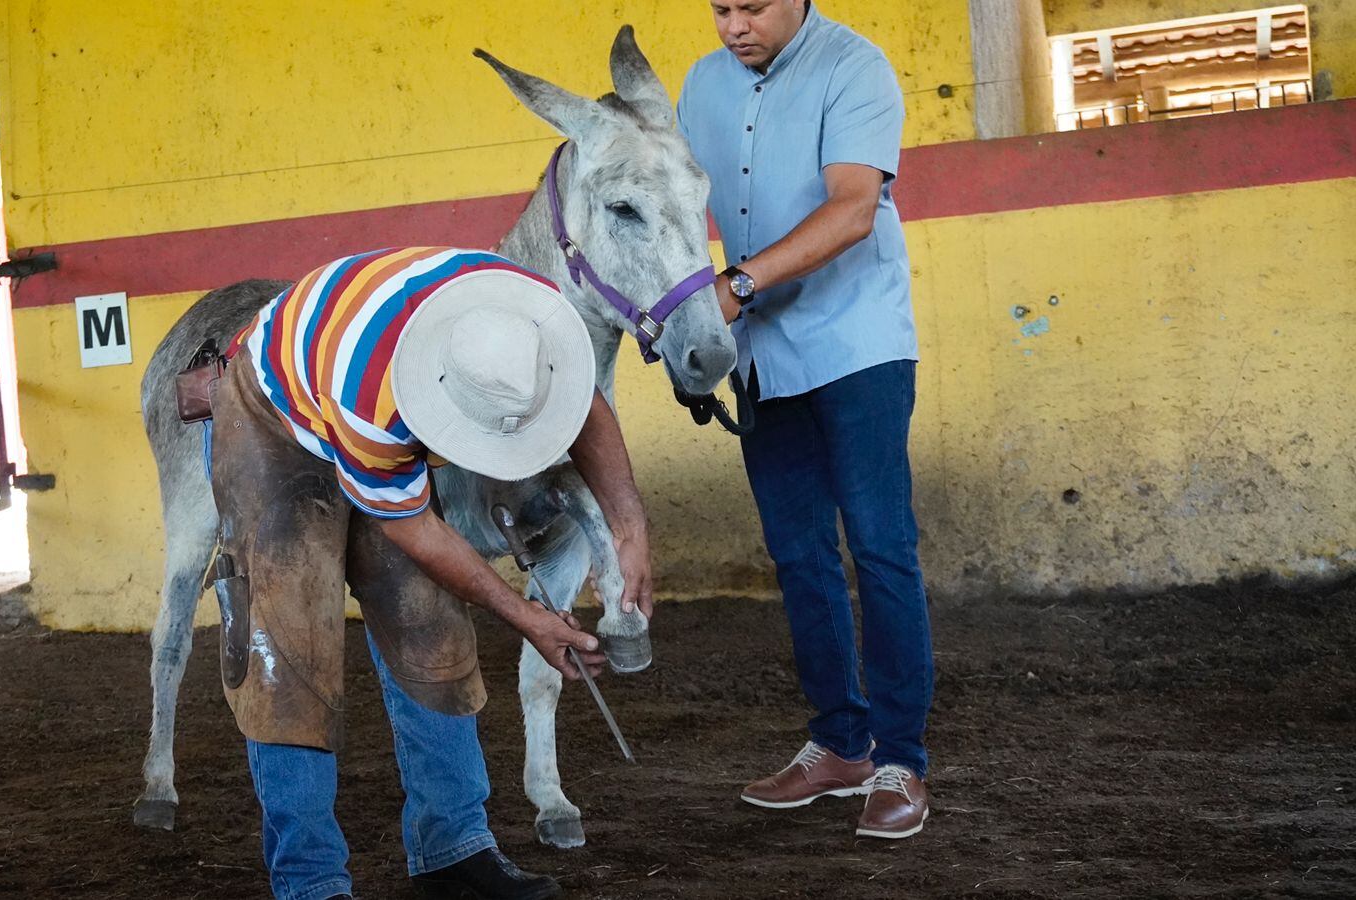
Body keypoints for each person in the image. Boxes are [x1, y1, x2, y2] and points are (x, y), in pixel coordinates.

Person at [209, 247, 653, 899]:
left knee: (432, 626)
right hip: (274, 421)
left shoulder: (525, 324)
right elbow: (412, 527)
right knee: (289, 646)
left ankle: (454, 850)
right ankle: (311, 881)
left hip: (357, 379)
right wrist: (527, 617)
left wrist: (629, 529)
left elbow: (582, 404)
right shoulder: (375, 408)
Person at [677, 1, 935, 839]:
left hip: (856, 343)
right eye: (718, 8)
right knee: (797, 554)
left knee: (880, 545)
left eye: (751, 6)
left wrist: (735, 287)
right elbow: (679, 213)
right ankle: (839, 745)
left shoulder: (853, 67)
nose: (732, 26)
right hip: (760, 356)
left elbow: (855, 208)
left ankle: (900, 762)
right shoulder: (701, 86)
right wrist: (692, 333)